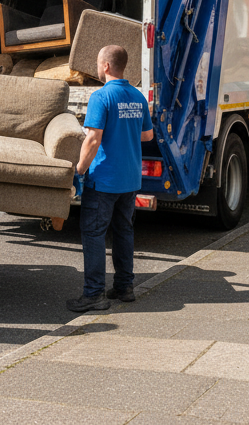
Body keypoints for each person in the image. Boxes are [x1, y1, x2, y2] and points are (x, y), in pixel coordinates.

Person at [69, 45, 154, 312]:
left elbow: (93, 139)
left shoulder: (101, 96)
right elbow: (148, 136)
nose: (97, 67)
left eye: (97, 62)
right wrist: (123, 131)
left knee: (93, 233)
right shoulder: (137, 96)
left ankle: (93, 294)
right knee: (124, 231)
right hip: (130, 179)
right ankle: (124, 287)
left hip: (104, 179)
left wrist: (78, 171)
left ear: (106, 66)